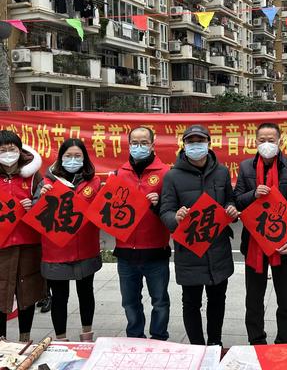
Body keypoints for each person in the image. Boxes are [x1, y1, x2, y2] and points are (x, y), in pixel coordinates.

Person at [160, 125, 238, 346]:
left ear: (208, 144)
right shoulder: (172, 176)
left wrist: (231, 210)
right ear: (184, 146)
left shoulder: (221, 172)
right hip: (190, 250)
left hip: (218, 248)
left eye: (200, 141)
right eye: (191, 142)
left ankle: (215, 343)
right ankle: (196, 346)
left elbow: (229, 200)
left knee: (217, 301)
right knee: (191, 303)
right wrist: (175, 217)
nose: (196, 145)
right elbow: (165, 211)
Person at [234, 122, 287, 345]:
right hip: (254, 243)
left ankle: (284, 342)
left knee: (286, 300)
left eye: (271, 140)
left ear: (280, 142)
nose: (266, 144)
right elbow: (237, 201)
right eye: (262, 140)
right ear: (255, 142)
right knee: (253, 300)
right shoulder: (246, 167)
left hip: (282, 244)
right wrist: (253, 195)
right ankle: (256, 341)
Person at [35, 138, 102, 341]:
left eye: (77, 156)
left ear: (85, 158)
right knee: (60, 297)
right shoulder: (47, 183)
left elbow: (102, 211)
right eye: (68, 156)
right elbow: (36, 215)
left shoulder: (95, 182)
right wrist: (42, 197)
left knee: (86, 293)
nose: (73, 160)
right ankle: (61, 339)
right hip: (57, 250)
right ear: (60, 158)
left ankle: (86, 335)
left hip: (86, 248)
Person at [114, 126, 171, 340]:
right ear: (128, 145)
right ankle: (135, 336)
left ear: (152, 144)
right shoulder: (119, 173)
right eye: (135, 143)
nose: (139, 147)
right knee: (129, 301)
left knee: (160, 301)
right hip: (125, 252)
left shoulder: (165, 173)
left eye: (144, 142)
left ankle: (158, 337)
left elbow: (171, 211)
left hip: (156, 251)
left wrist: (158, 205)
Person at [0, 130, 45, 341]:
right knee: (1, 293)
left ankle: (24, 338)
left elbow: (46, 205)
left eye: (12, 149)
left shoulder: (34, 175)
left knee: (27, 293)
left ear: (20, 151)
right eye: (2, 150)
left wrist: (33, 206)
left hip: (29, 244)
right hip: (2, 245)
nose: (8, 154)